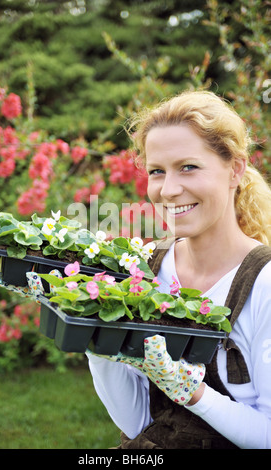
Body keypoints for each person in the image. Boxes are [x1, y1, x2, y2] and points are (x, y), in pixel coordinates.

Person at [86, 90, 271, 449]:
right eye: (157, 171)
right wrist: (96, 339)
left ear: (235, 169)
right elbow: (139, 421)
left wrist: (195, 393)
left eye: (188, 167)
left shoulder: (264, 283)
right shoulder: (147, 270)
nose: (168, 190)